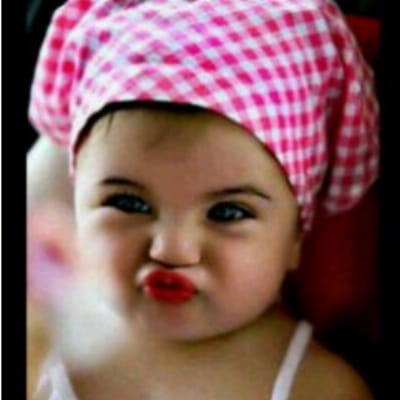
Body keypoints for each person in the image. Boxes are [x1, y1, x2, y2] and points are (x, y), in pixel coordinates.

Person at [27, 0, 379, 399]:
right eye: (128, 203)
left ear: (296, 237)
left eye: (227, 212)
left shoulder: (320, 388)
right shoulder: (36, 352)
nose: (172, 250)